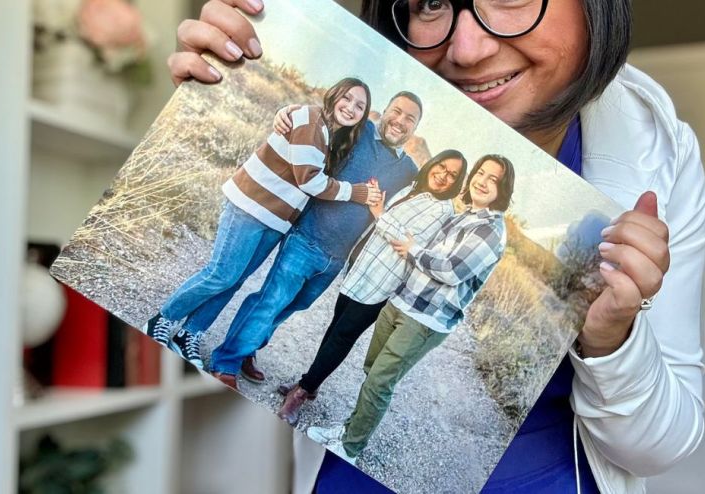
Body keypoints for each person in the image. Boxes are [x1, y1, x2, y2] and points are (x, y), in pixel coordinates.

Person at [168, 0, 705, 492]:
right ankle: (260, 368)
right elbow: (323, 135)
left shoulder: (657, 151)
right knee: (309, 325)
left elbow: (657, 448)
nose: (467, 49)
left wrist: (611, 339)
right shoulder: (388, 154)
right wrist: (235, 74)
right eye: (430, 3)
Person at [145, 77, 381, 370]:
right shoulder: (310, 119)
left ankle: (189, 334)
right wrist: (355, 192)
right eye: (347, 98)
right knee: (222, 274)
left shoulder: (330, 133)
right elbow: (309, 181)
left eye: (360, 106)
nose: (351, 108)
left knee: (235, 280)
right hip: (250, 205)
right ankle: (162, 319)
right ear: (333, 95)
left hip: (278, 219)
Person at [307, 154, 515, 465]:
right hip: (401, 302)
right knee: (372, 371)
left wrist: (413, 249)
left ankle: (350, 449)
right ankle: (349, 430)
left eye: (493, 179)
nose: (482, 181)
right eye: (481, 173)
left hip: (425, 319)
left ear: (503, 189)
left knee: (380, 381)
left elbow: (451, 269)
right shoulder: (464, 217)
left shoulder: (490, 230)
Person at [207, 92, 424, 387]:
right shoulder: (359, 130)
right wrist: (287, 110)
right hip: (305, 238)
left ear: (416, 127)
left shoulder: (410, 170)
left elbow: (438, 188)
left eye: (409, 118)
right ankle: (225, 364)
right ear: (384, 110)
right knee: (271, 301)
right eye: (396, 111)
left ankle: (249, 347)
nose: (400, 121)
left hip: (337, 258)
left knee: (291, 306)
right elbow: (318, 116)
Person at [277, 149, 469, 425]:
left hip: (382, 282)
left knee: (343, 336)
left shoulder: (442, 210)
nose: (444, 175)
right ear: (433, 164)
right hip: (361, 270)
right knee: (334, 329)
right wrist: (379, 203)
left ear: (456, 182)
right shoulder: (412, 189)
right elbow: (393, 224)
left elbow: (409, 243)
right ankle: (311, 383)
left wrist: (379, 214)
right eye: (442, 167)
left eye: (453, 175)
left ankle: (301, 393)